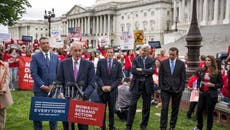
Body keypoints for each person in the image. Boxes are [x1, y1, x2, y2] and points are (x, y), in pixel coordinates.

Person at [56, 42, 95, 130]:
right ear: (70, 51)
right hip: (67, 100)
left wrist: (84, 95)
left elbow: (92, 83)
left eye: (79, 50)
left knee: (83, 127)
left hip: (82, 101)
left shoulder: (89, 64)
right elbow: (59, 81)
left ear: (82, 51)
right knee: (68, 127)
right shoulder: (63, 63)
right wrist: (61, 92)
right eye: (75, 50)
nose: (77, 53)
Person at [30, 37, 59, 130]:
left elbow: (58, 73)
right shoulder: (35, 57)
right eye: (43, 43)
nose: (46, 45)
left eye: (47, 43)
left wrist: (54, 85)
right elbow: (34, 73)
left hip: (53, 90)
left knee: (53, 114)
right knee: (38, 115)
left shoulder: (55, 56)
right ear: (40, 45)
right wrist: (43, 86)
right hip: (40, 90)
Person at [125, 44, 155, 130]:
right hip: (136, 85)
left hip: (147, 85)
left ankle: (143, 126)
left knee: (146, 107)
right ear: (140, 50)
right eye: (142, 50)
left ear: (149, 51)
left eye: (146, 50)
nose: (144, 52)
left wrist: (141, 70)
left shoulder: (151, 60)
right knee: (132, 105)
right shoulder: (135, 59)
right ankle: (128, 126)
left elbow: (152, 70)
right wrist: (146, 71)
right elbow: (134, 70)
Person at [159, 47, 186, 130]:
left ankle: (172, 126)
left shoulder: (181, 64)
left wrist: (181, 89)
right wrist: (162, 87)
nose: (171, 56)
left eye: (173, 55)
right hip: (165, 90)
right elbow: (161, 76)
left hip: (177, 90)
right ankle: (163, 127)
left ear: (177, 55)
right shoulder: (163, 63)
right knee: (164, 108)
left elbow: (183, 78)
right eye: (170, 54)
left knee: (175, 109)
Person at [194, 55, 223, 130]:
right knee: (199, 111)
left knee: (209, 113)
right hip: (203, 93)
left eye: (209, 60)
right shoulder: (202, 70)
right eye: (206, 60)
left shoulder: (217, 72)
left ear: (212, 61)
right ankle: (199, 127)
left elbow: (221, 84)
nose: (207, 62)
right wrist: (198, 88)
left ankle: (208, 128)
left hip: (211, 94)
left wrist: (213, 85)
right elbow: (198, 80)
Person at [96, 47, 122, 130]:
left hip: (112, 91)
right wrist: (102, 86)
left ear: (113, 53)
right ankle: (102, 126)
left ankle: (111, 126)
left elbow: (119, 78)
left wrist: (111, 87)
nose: (110, 54)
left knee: (111, 111)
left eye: (111, 52)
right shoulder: (100, 62)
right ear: (105, 53)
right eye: (108, 52)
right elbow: (97, 76)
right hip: (102, 91)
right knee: (102, 111)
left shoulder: (118, 64)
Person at [0, 51, 14, 130]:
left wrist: (4, 89)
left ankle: (1, 127)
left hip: (2, 93)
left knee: (2, 112)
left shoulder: (4, 65)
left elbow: (7, 78)